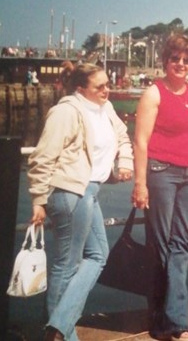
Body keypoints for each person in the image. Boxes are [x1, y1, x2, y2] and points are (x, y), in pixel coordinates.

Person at [28, 63, 134, 341]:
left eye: (107, 84)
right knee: (67, 263)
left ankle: (59, 326)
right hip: (68, 192)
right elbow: (42, 157)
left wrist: (124, 160)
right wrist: (38, 199)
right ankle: (59, 331)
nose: (106, 90)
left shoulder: (106, 108)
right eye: (99, 87)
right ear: (80, 89)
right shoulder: (66, 112)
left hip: (90, 192)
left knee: (98, 254)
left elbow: (123, 136)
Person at [131, 35, 188, 341]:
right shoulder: (154, 93)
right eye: (175, 58)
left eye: (187, 60)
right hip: (162, 172)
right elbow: (140, 141)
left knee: (181, 244)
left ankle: (166, 319)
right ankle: (176, 322)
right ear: (166, 60)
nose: (181, 64)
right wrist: (140, 183)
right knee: (163, 245)